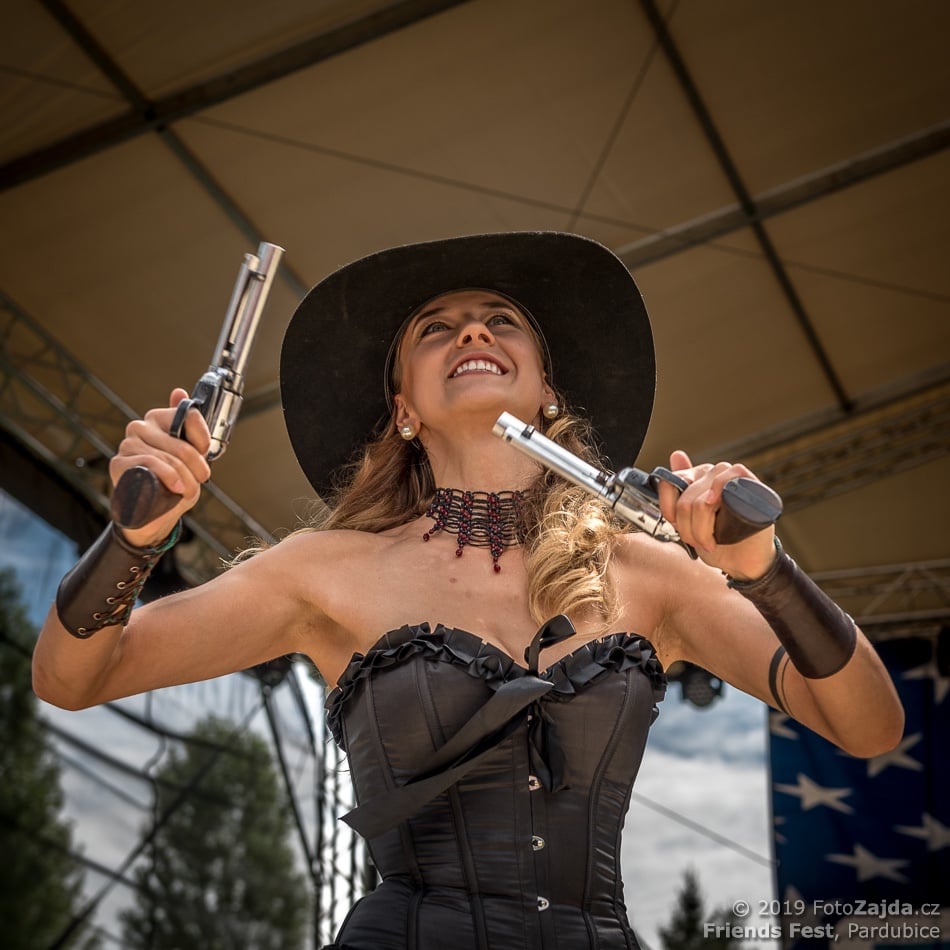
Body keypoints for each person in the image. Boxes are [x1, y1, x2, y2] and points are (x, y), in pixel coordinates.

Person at [34, 232, 903, 950]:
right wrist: (134, 541)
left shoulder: (649, 572)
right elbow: (71, 678)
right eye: (435, 329)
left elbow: (869, 725)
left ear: (547, 386)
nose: (473, 332)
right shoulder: (325, 570)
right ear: (402, 405)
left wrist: (766, 573)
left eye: (501, 320)